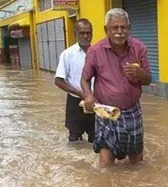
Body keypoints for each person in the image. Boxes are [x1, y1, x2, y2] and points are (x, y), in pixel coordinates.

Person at [81, 8, 151, 167]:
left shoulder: (139, 48)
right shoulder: (95, 51)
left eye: (123, 27)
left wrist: (140, 73)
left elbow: (148, 80)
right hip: (106, 113)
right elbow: (84, 79)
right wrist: (88, 96)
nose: (119, 32)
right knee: (105, 162)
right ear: (107, 30)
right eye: (115, 28)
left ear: (129, 28)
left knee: (136, 162)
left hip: (132, 112)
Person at [54, 18, 94, 143]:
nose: (86, 36)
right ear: (75, 34)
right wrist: (82, 94)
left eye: (88, 32)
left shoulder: (98, 53)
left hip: (96, 102)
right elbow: (58, 81)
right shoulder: (68, 54)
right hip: (75, 102)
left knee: (96, 140)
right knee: (74, 141)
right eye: (82, 33)